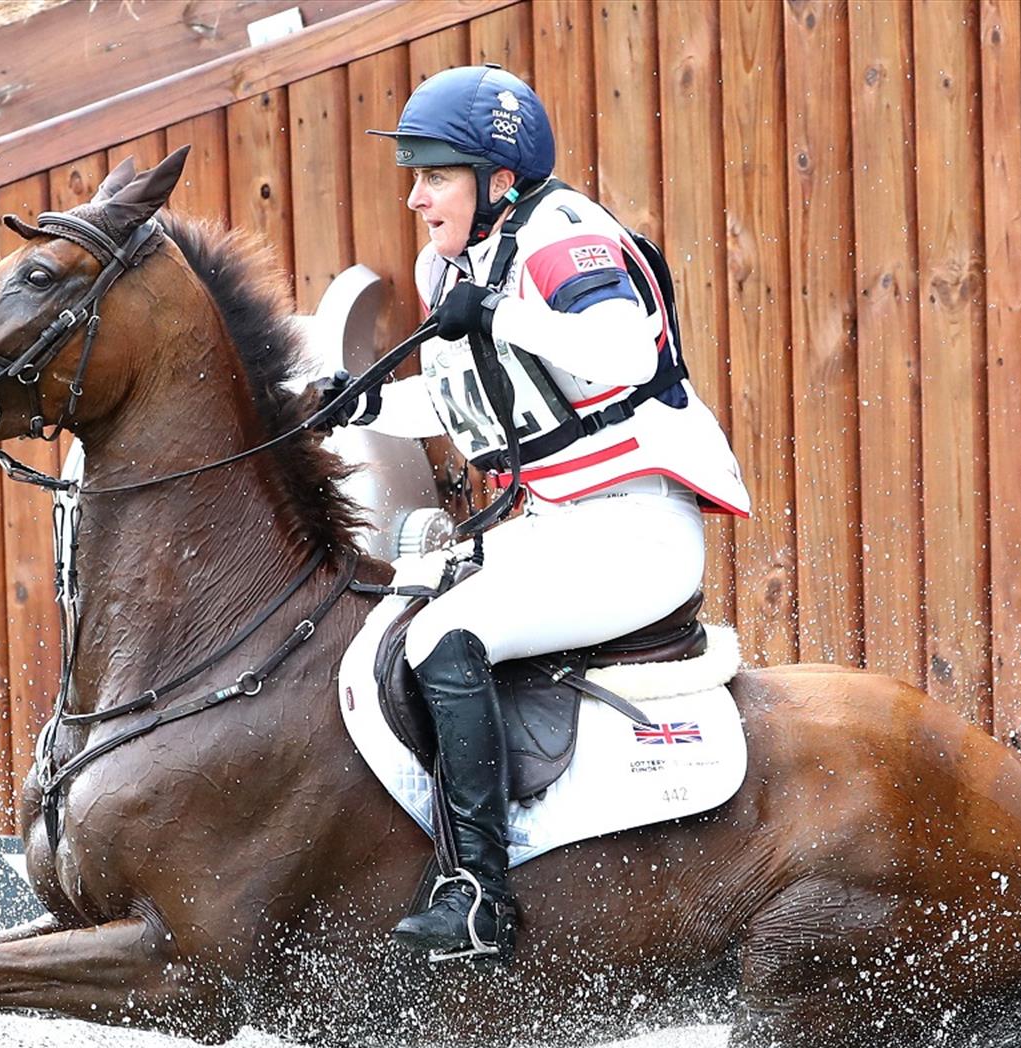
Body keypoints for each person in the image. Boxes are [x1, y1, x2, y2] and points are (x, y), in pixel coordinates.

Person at [313, 65, 751, 966]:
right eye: (415, 176)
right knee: (396, 615)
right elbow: (466, 403)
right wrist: (364, 406)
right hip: (560, 525)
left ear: (500, 181)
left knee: (448, 639)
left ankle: (480, 895)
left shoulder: (562, 234)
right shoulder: (453, 265)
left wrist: (501, 310)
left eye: (436, 177)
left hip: (636, 528)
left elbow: (624, 352)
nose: (415, 198)